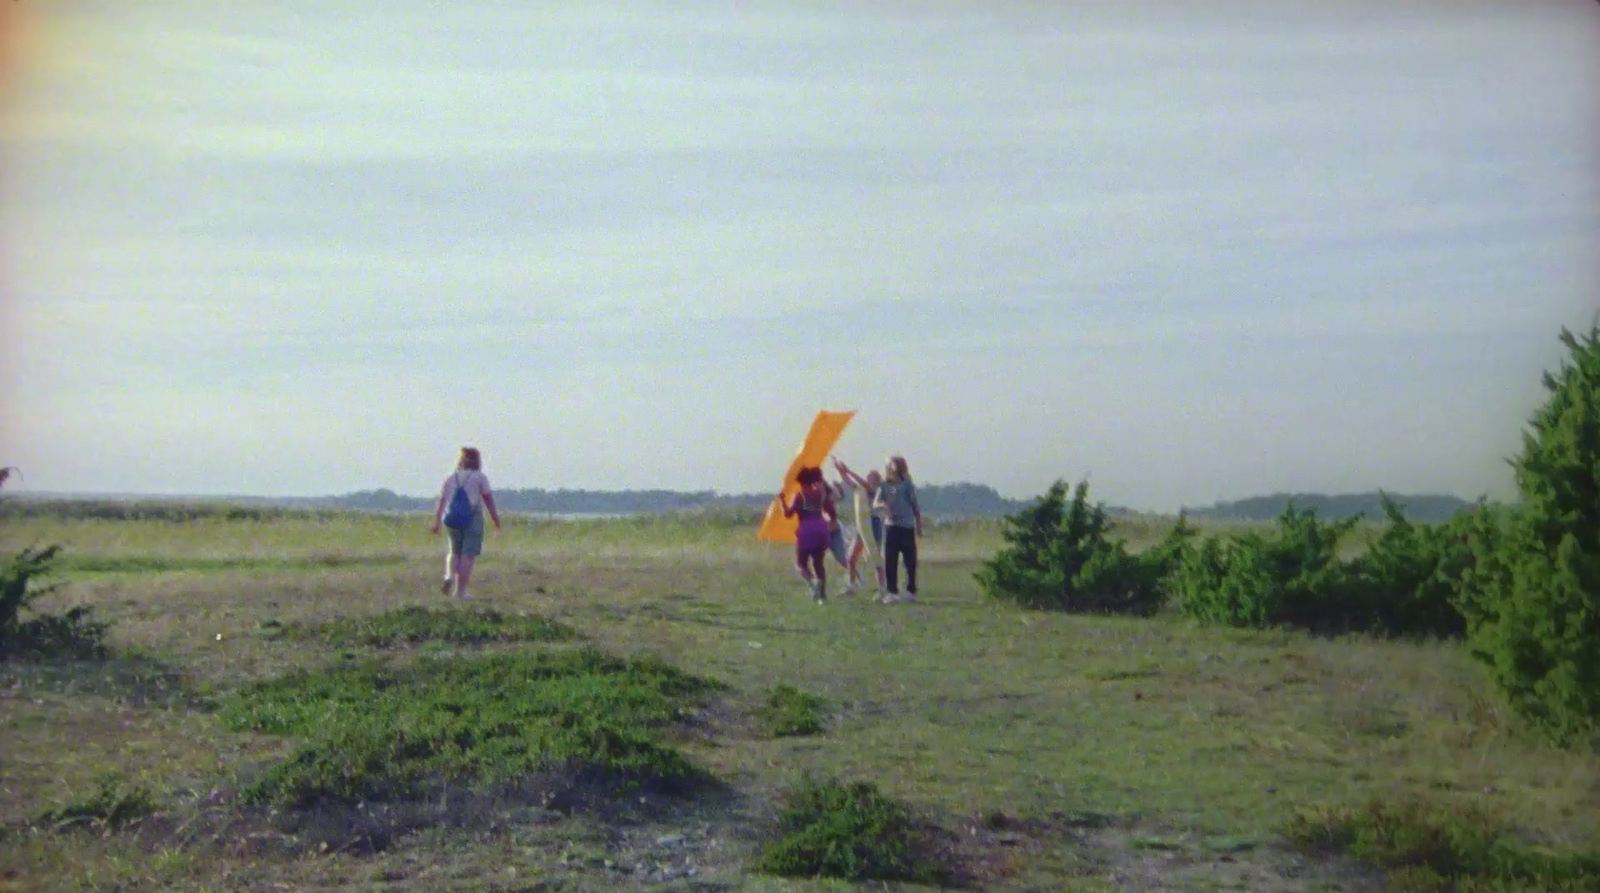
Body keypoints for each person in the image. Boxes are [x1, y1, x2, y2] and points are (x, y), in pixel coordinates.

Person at [429, 446, 502, 600]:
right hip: (472, 517)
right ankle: (460, 592)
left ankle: (449, 576)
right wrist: (496, 519)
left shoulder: (450, 477)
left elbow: (442, 501)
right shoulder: (479, 477)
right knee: (468, 555)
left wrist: (437, 522)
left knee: (454, 551)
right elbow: (488, 500)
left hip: (452, 518)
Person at [780, 465, 835, 603]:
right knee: (818, 564)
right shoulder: (820, 495)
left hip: (806, 531)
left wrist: (782, 501)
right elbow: (831, 512)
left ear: (800, 482)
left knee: (801, 564)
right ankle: (822, 596)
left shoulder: (799, 497)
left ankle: (813, 583)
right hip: (821, 529)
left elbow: (788, 514)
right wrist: (829, 524)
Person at [831, 456, 883, 597]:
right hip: (863, 525)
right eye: (868, 477)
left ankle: (882, 589)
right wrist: (841, 470)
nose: (868, 479)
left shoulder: (875, 490)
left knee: (875, 557)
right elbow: (849, 482)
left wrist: (849, 471)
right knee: (851, 557)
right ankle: (851, 587)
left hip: (873, 524)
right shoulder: (860, 489)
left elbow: (863, 484)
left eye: (871, 477)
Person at [873, 455, 922, 603]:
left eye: (891, 464)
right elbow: (875, 503)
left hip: (906, 527)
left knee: (909, 561)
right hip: (891, 527)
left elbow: (915, 506)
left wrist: (919, 526)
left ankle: (910, 591)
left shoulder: (907, 485)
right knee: (890, 559)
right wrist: (883, 506)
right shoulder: (883, 485)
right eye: (888, 465)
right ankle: (892, 592)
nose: (888, 467)